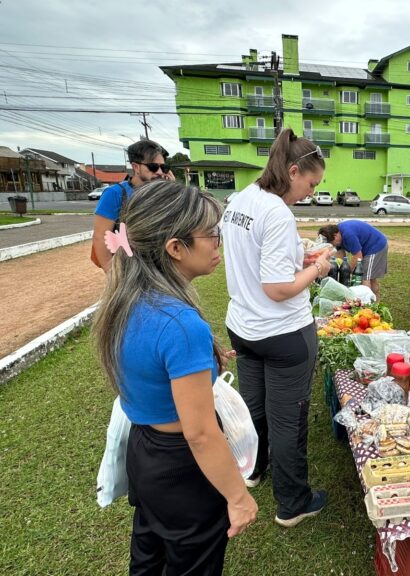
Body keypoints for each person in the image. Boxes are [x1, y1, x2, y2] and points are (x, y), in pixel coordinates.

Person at [91, 180, 258, 575]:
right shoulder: (181, 325)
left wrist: (206, 363)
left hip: (144, 451)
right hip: (181, 468)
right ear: (175, 247)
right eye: (212, 235)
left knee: (149, 555)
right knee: (193, 563)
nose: (218, 244)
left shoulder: (125, 299)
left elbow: (151, 367)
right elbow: (199, 433)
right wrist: (237, 497)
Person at [222, 128, 332, 528]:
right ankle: (293, 502)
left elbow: (253, 255)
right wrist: (318, 267)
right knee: (288, 420)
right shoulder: (278, 212)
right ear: (292, 170)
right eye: (311, 183)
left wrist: (297, 252)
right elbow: (279, 288)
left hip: (244, 327)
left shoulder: (241, 200)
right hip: (284, 333)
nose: (311, 192)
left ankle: (253, 468)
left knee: (254, 409)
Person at [91, 139, 175, 270]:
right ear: (136, 167)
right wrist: (112, 275)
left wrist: (172, 191)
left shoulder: (162, 193)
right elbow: (100, 237)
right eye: (153, 167)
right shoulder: (115, 194)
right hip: (129, 268)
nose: (159, 172)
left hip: (160, 267)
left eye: (163, 167)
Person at [317, 221, 388, 300]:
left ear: (336, 235)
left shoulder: (348, 235)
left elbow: (358, 256)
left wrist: (348, 271)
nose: (333, 245)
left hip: (375, 246)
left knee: (365, 277)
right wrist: (339, 268)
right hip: (365, 248)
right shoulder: (337, 234)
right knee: (370, 277)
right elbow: (340, 253)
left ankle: (367, 305)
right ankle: (375, 301)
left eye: (332, 243)